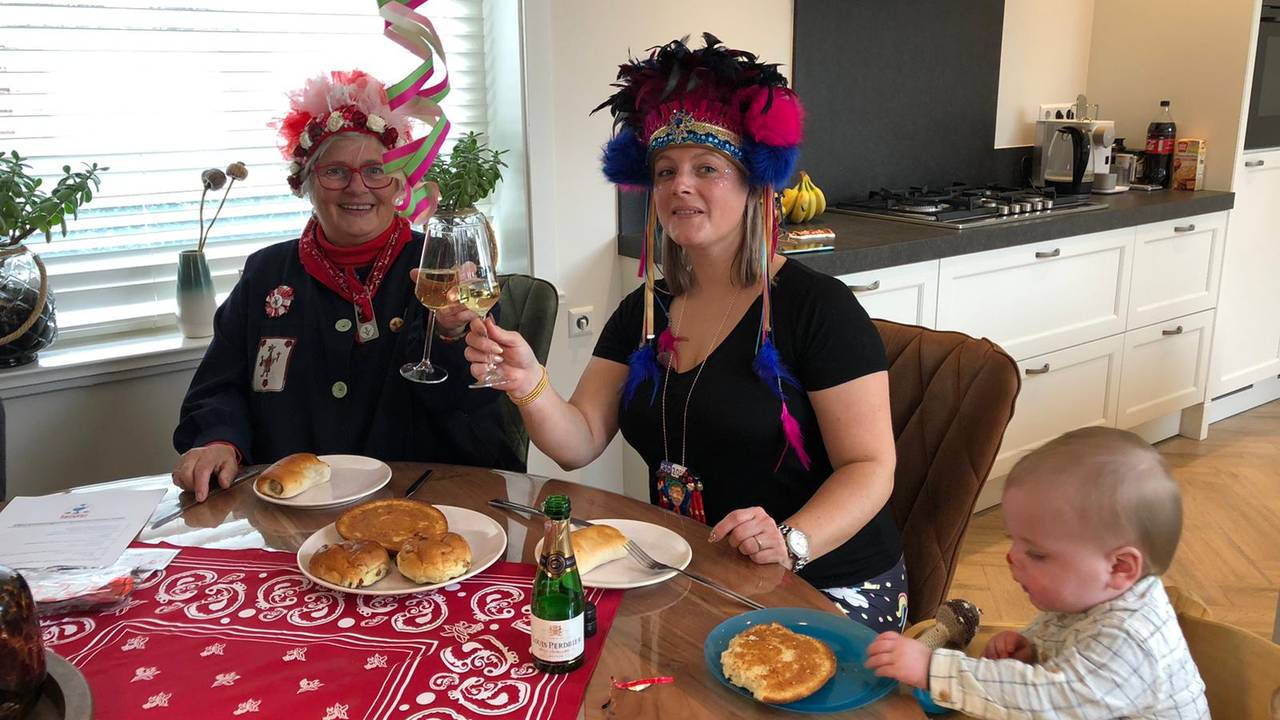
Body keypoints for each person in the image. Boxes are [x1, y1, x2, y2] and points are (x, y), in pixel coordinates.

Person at [463, 34, 905, 632]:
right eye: (665, 171)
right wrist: (529, 382)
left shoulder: (818, 308)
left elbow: (871, 465)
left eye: (707, 169)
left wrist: (791, 541)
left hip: (823, 580)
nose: (680, 186)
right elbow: (579, 440)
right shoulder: (645, 308)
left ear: (756, 185)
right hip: (692, 566)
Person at [173, 70, 521, 501]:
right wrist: (218, 439)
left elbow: (479, 408)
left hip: (424, 501)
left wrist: (451, 335)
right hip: (292, 504)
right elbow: (219, 384)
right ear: (305, 182)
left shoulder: (443, 269)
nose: (358, 187)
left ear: (399, 183)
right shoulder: (265, 272)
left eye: (376, 170)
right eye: (335, 171)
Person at [864, 427, 1209, 719]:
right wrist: (1035, 652)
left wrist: (932, 669)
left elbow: (1047, 702)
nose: (1012, 558)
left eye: (1037, 553)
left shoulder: (1131, 641)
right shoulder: (1093, 591)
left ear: (1119, 567)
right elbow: (1069, 668)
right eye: (1014, 541)